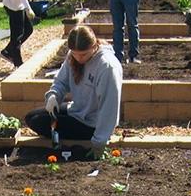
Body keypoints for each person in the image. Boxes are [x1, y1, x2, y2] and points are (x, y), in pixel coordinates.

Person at [24, 26, 123, 157]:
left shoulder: (107, 66)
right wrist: (53, 95)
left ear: (94, 46)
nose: (78, 58)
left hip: (92, 124)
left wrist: (99, 142)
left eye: (83, 54)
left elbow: (109, 107)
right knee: (31, 117)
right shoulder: (73, 56)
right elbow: (61, 81)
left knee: (38, 121)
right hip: (78, 110)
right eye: (75, 54)